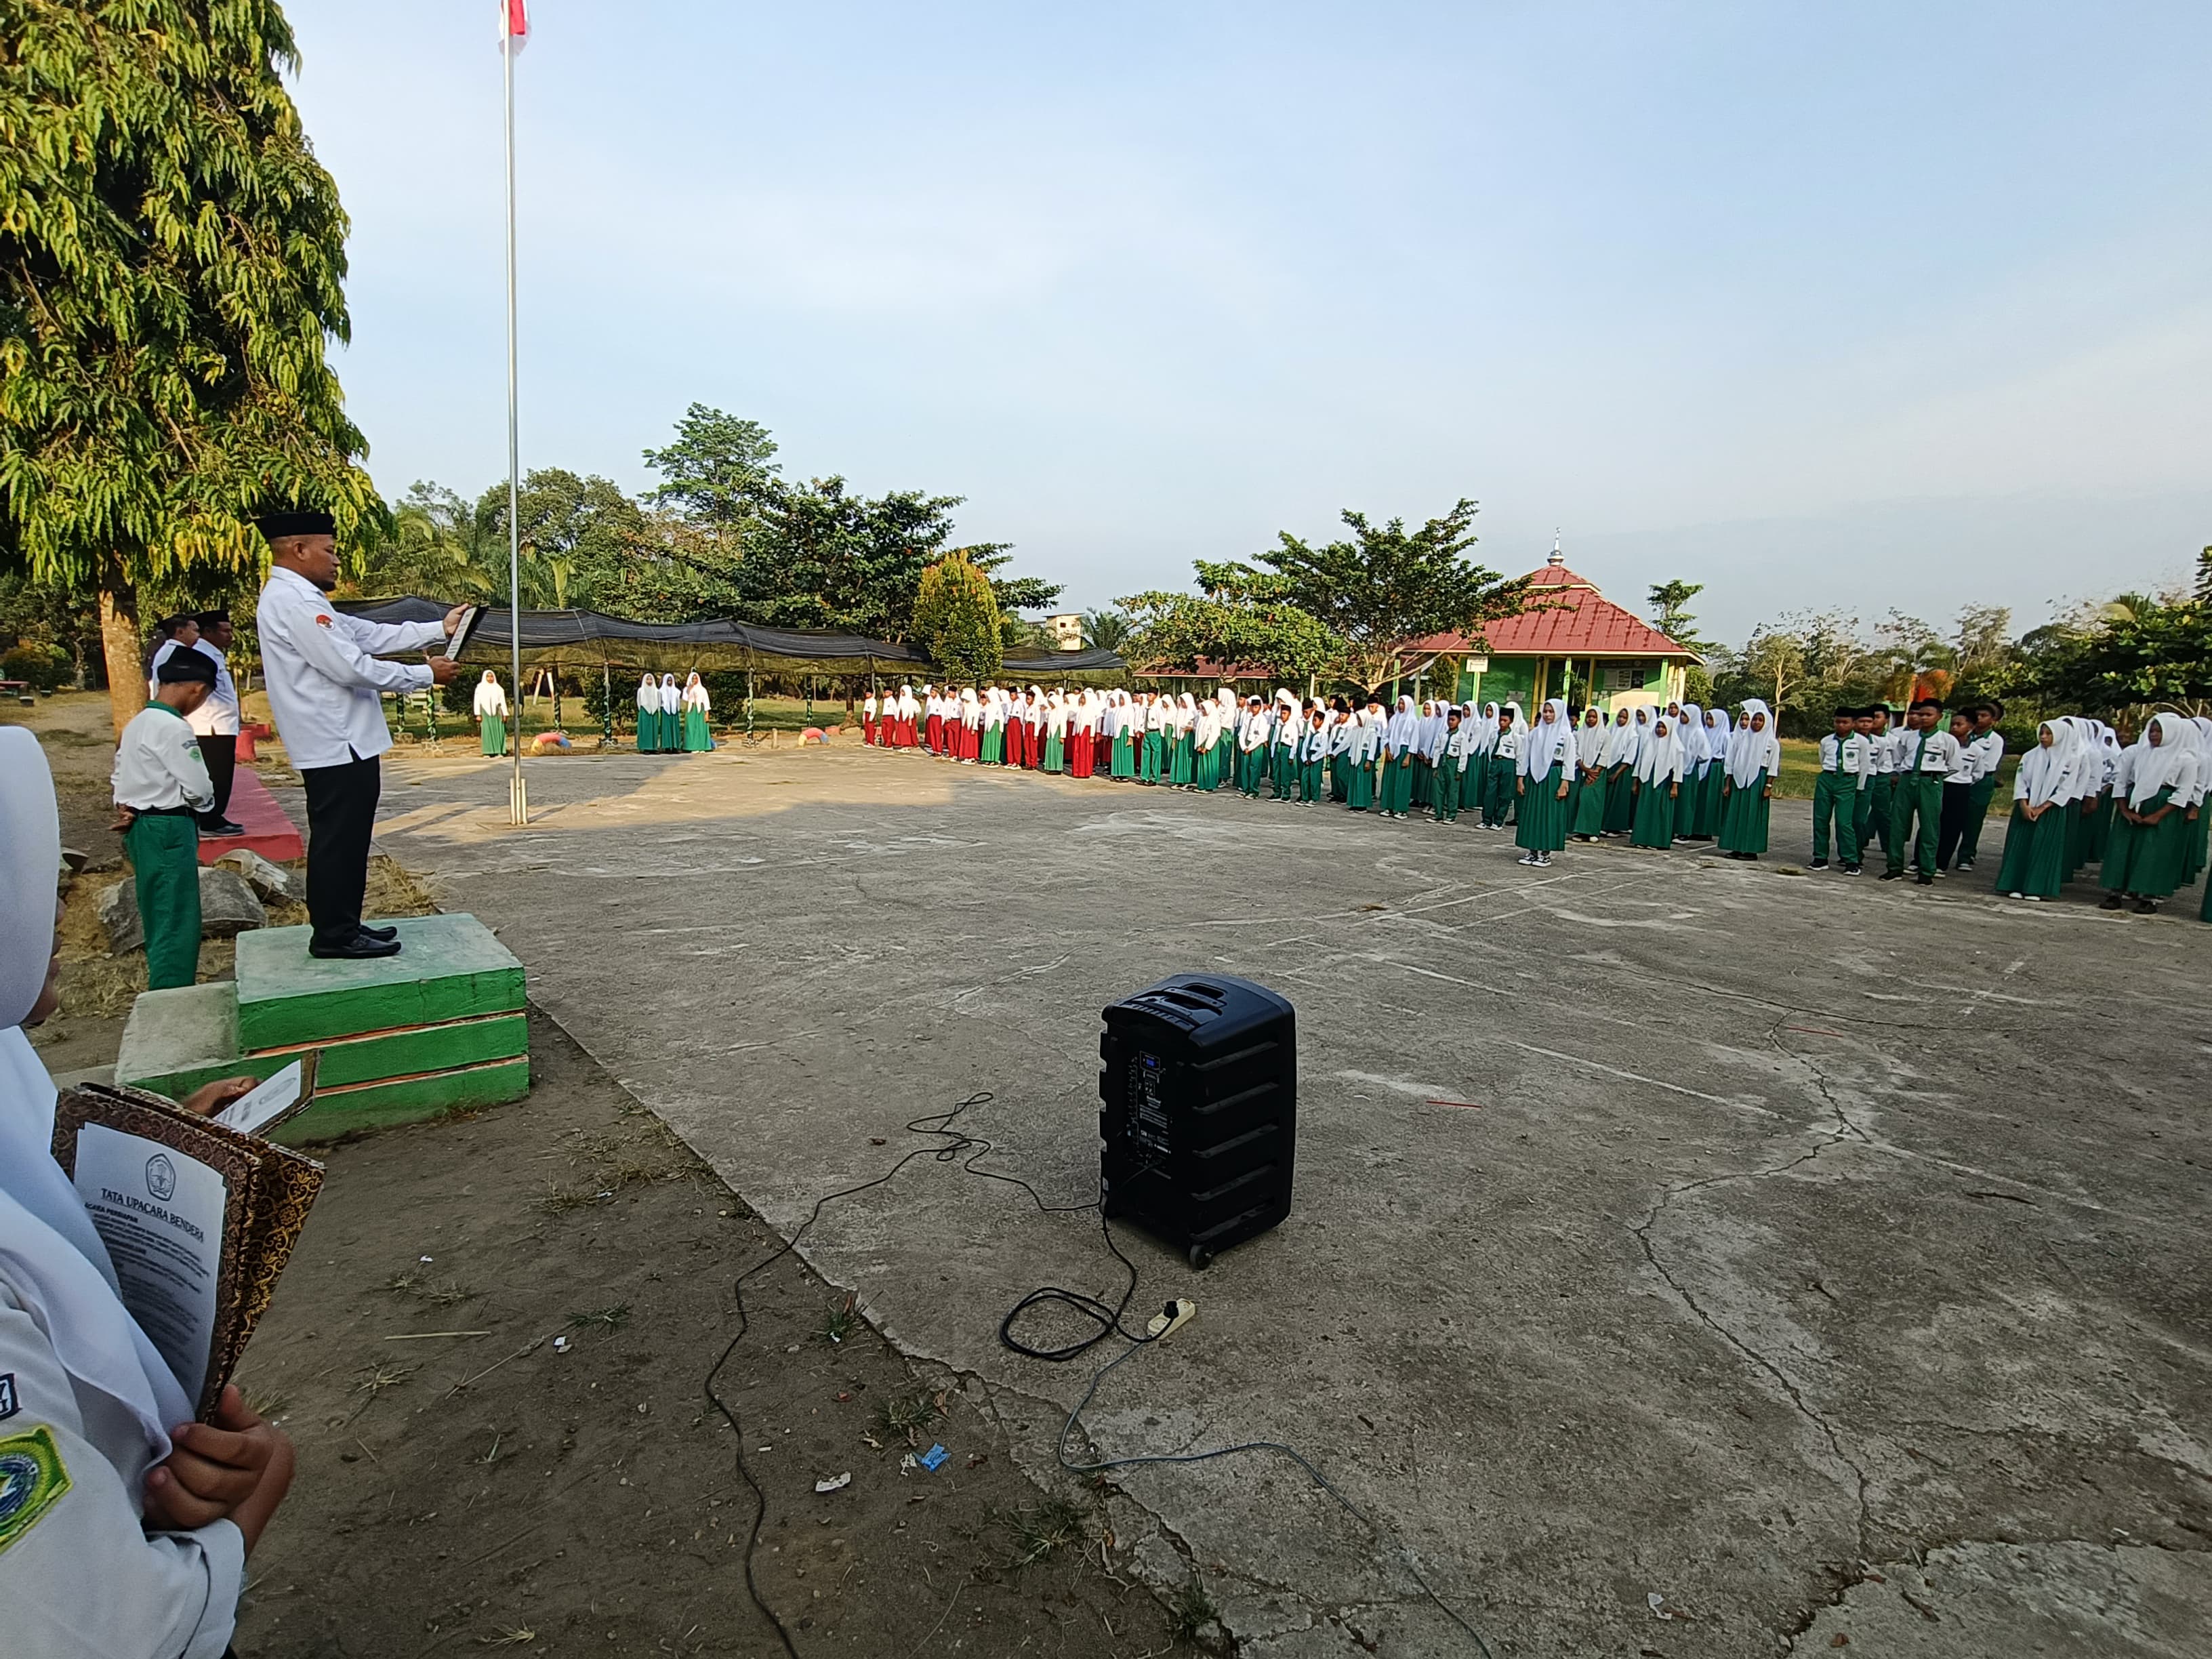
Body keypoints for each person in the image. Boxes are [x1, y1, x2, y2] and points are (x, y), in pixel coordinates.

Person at [5, 729, 293, 1658]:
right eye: (27, 881)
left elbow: (33, 1169)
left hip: (144, 1488)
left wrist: (152, 1139)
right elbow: (98, 1630)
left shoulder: (4, 1049)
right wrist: (243, 1516)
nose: (61, 912)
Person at [254, 508, 463, 960]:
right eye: (329, 551)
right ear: (299, 549)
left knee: (348, 839)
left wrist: (437, 628)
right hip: (334, 740)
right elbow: (350, 666)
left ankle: (343, 923)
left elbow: (363, 634)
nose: (336, 561)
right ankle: (334, 934)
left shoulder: (302, 599)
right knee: (338, 840)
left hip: (340, 740)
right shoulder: (296, 603)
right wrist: (425, 675)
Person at [112, 651, 219, 990]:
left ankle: (165, 983)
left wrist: (127, 804)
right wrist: (203, 804)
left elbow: (120, 775)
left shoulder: (138, 722)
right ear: (196, 689)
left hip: (142, 825)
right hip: (169, 825)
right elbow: (199, 786)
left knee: (157, 910)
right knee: (176, 915)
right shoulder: (174, 727)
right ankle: (171, 992)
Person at [2100, 713, 2198, 914]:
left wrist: (2158, 815)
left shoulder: (2185, 759)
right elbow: (2122, 781)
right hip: (2134, 803)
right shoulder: (2140, 753)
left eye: (2159, 731)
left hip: (2163, 806)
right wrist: (2124, 809)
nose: (2154, 735)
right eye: (2152, 730)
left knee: (2153, 852)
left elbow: (2183, 791)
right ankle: (2115, 891)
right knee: (2122, 848)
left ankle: (2148, 896)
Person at [177, 611, 245, 838]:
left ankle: (213, 816)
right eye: (224, 631)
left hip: (221, 724)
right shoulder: (201, 654)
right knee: (217, 774)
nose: (230, 635)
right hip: (211, 725)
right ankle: (210, 819)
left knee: (221, 773)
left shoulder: (213, 653)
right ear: (208, 632)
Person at [1882, 699, 1961, 886]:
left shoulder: (1947, 740)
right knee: (1898, 824)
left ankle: (1926, 871)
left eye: (1928, 715)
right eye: (1920, 714)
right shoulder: (1909, 737)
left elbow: (1953, 765)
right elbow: (1898, 757)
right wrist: (1900, 774)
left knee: (1930, 827)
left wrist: (1935, 777)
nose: (1923, 718)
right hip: (1907, 780)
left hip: (1930, 781)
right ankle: (1894, 867)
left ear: (1939, 717)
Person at [1996, 721, 2077, 901]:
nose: (2043, 737)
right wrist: (2024, 804)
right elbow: (2021, 780)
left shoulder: (2071, 760)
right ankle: (2014, 884)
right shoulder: (2030, 756)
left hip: (2050, 811)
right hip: (2026, 808)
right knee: (2021, 845)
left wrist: (2043, 807)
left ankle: (2036, 887)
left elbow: (2066, 788)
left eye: (2049, 734)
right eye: (2042, 733)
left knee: (2043, 847)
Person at [1718, 700, 1781, 859]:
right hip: (1739, 778)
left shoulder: (1771, 743)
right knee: (1737, 812)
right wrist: (1728, 783)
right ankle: (1736, 847)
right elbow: (1732, 761)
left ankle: (1751, 850)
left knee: (1752, 814)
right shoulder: (1743, 738)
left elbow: (1773, 767)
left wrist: (1768, 786)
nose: (1756, 723)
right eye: (1755, 719)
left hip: (1757, 780)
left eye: (1760, 720)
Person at [1513, 697, 1572, 866]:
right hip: (1534, 777)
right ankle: (1532, 851)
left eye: (1551, 711)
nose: (1547, 715)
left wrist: (1564, 783)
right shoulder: (1534, 734)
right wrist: (1521, 778)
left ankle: (1545, 853)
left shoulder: (1566, 735)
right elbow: (1525, 756)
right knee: (1532, 813)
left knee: (1549, 814)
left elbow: (1569, 760)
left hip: (1553, 777)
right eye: (1545, 711)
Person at [1809, 706, 1864, 872]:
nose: (1841, 725)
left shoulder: (1861, 742)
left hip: (1847, 780)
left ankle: (1851, 860)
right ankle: (1820, 857)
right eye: (1837, 722)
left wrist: (1859, 787)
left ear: (1853, 723)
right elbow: (1823, 758)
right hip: (1827, 779)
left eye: (1845, 722)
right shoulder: (1827, 741)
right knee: (1820, 819)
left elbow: (1865, 765)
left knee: (1844, 822)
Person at [1629, 711, 1684, 850]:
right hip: (1647, 780)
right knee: (1645, 809)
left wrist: (1675, 786)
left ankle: (1658, 841)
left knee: (1660, 811)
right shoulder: (1649, 741)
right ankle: (1642, 839)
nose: (1660, 730)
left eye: (1663, 727)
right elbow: (1640, 762)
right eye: (1658, 727)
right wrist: (1636, 782)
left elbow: (1678, 768)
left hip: (1664, 782)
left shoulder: (1676, 746)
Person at [1569, 707, 1609, 840]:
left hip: (1597, 773)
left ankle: (1592, 831)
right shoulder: (1579, 733)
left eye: (1594, 717)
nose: (1590, 719)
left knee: (1592, 801)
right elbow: (1574, 752)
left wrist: (1594, 772)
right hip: (1581, 770)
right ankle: (1579, 831)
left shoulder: (1605, 735)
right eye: (1588, 716)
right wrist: (1584, 768)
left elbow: (1605, 755)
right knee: (1579, 800)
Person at [1482, 703, 1521, 830]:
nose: (1502, 723)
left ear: (1511, 721)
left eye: (1505, 721)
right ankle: (1486, 819)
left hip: (1508, 764)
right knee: (1490, 792)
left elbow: (1519, 755)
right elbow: (1490, 749)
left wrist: (1519, 773)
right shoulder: (1494, 734)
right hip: (1495, 762)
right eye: (1500, 720)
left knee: (1505, 794)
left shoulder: (1515, 737)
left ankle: (1498, 821)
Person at [472, 671, 510, 757]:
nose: (490, 678)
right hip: (485, 713)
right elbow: (477, 701)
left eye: (492, 676)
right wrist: (478, 714)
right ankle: (487, 752)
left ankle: (499, 751)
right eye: (488, 676)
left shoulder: (498, 688)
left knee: (499, 731)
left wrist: (505, 714)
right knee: (487, 732)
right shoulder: (480, 688)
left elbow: (503, 702)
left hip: (497, 712)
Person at [680, 673, 714, 752]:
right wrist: (689, 689)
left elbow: (706, 701)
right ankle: (692, 747)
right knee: (691, 729)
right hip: (691, 710)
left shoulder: (703, 689)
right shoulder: (687, 689)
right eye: (693, 679)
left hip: (701, 710)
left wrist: (707, 713)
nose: (694, 680)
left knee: (701, 729)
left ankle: (702, 747)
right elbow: (685, 699)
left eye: (696, 678)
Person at [635, 673, 661, 752]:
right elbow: (638, 701)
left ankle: (653, 747)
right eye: (647, 679)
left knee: (654, 729)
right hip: (644, 711)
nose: (649, 681)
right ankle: (645, 747)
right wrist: (642, 709)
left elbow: (659, 701)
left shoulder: (657, 691)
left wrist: (657, 709)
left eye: (651, 679)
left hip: (654, 711)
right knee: (645, 729)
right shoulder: (641, 690)